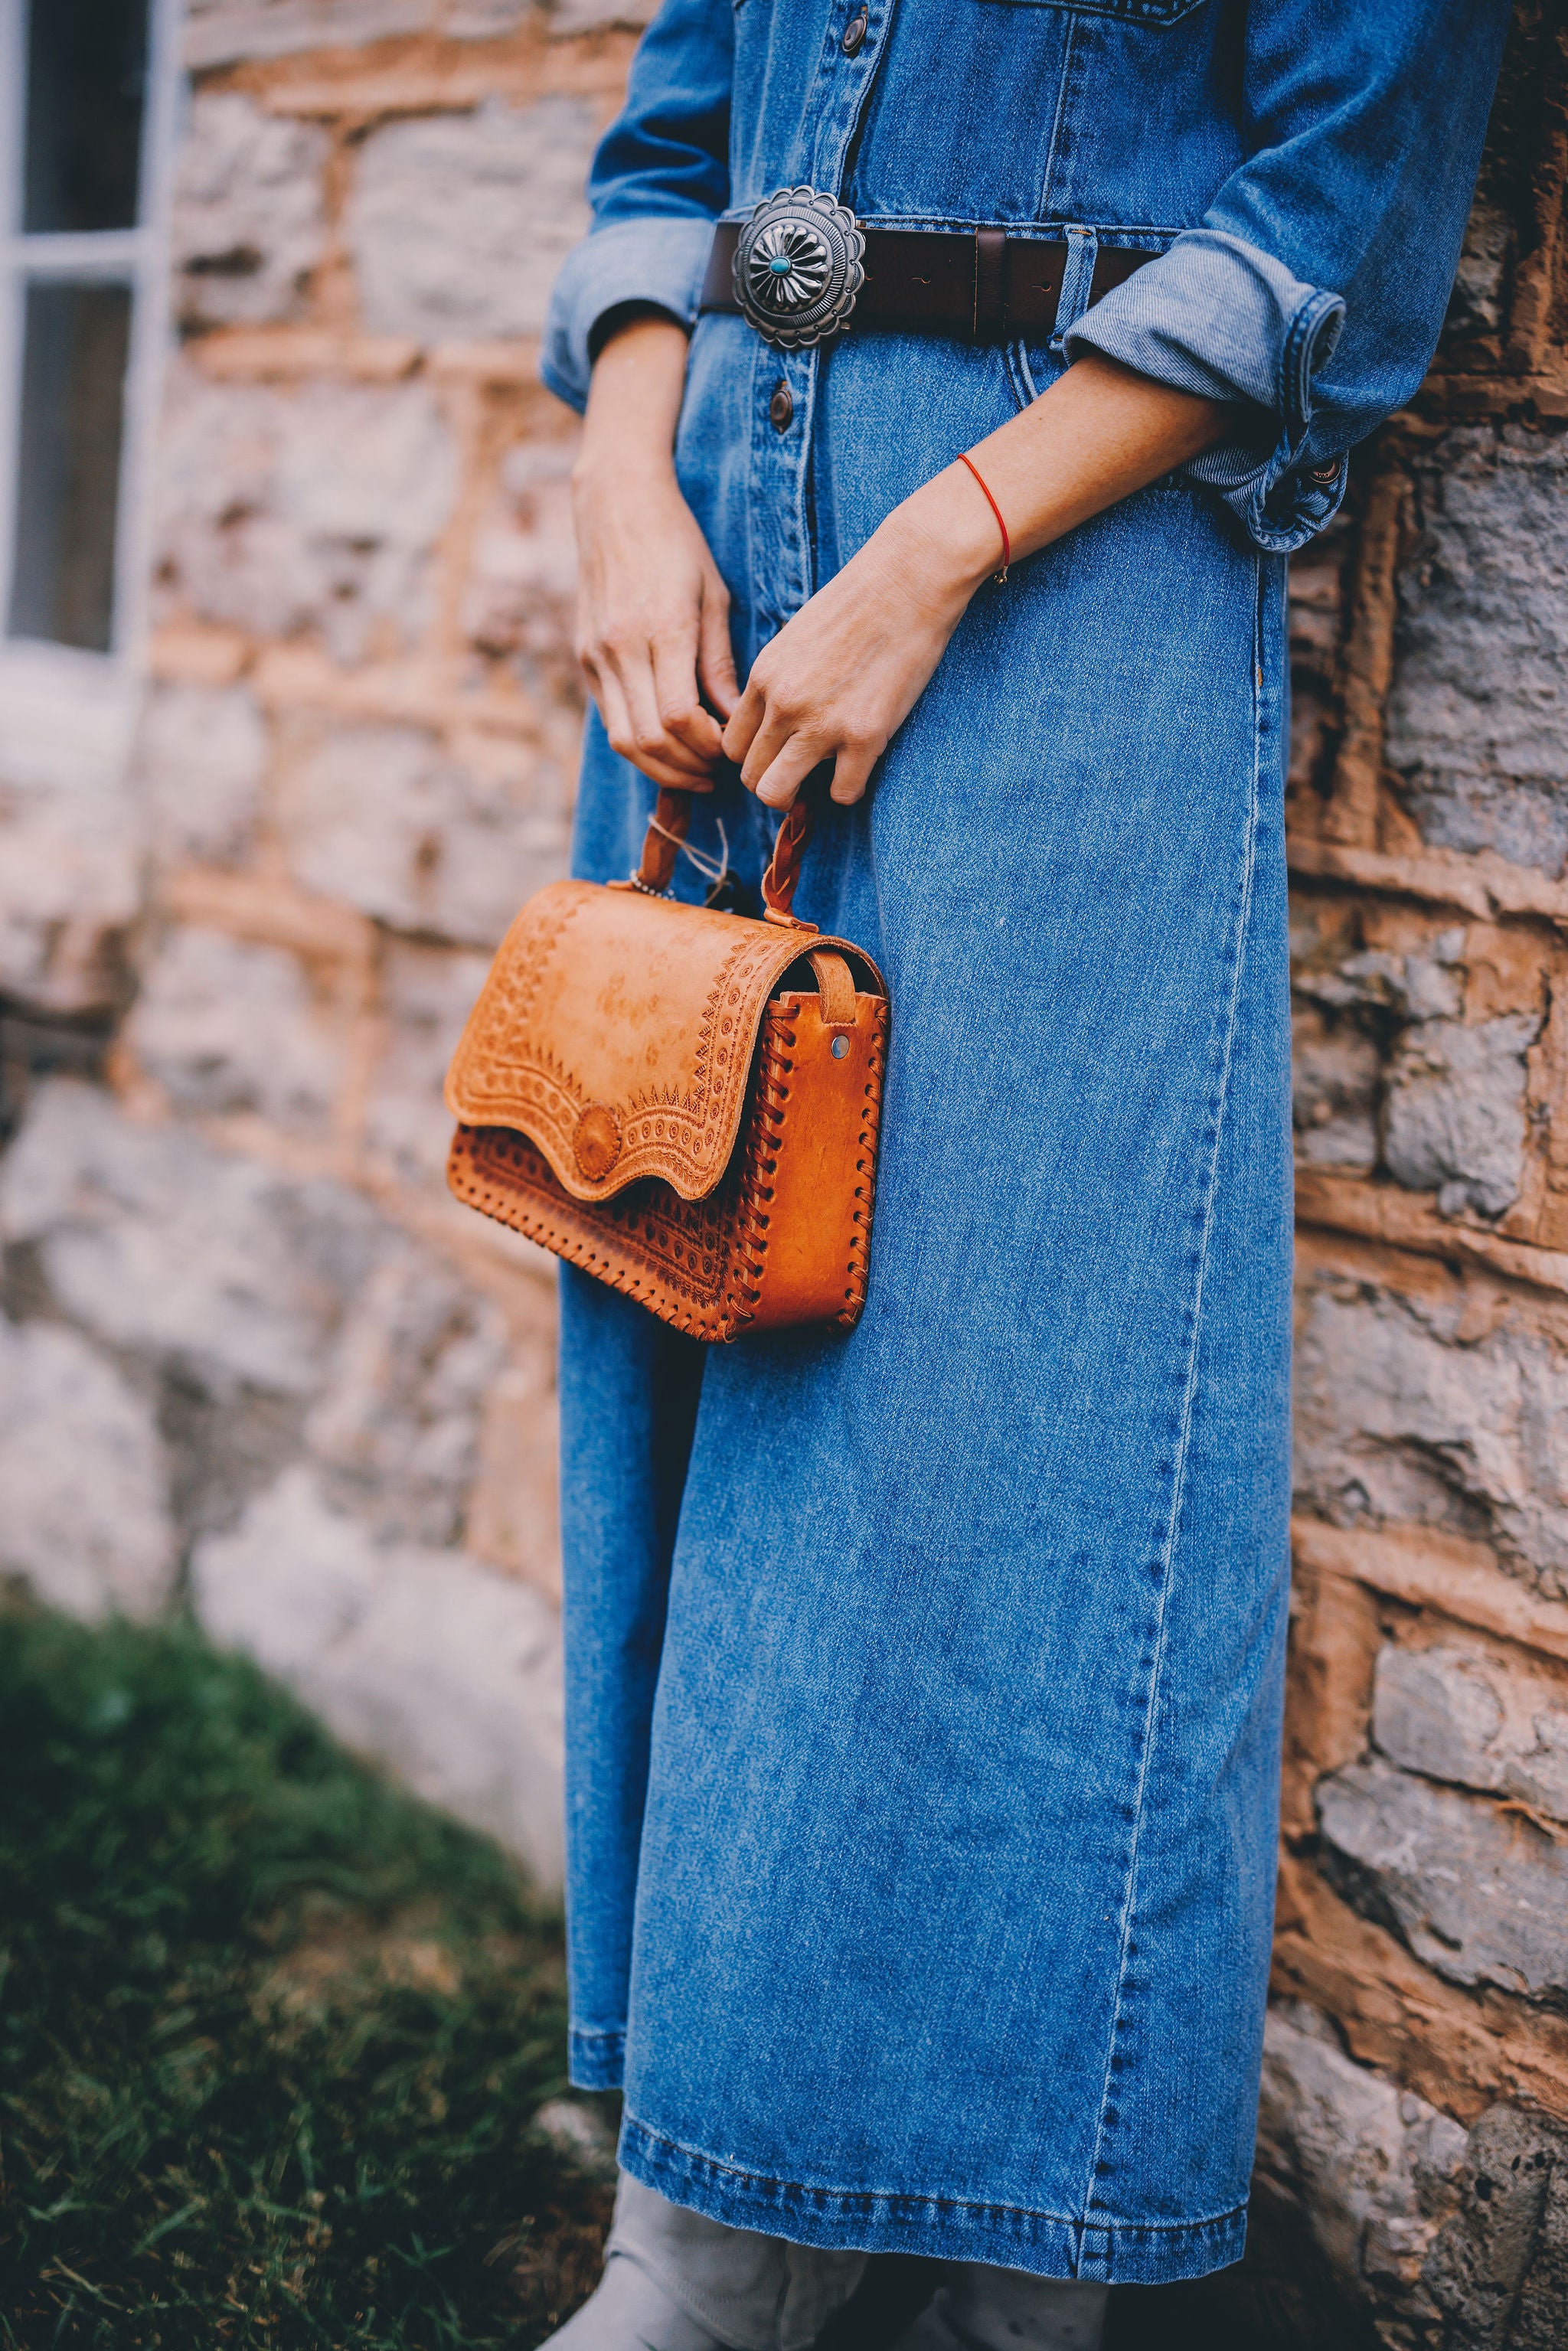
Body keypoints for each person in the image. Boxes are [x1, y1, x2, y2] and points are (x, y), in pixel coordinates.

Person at [536, 5, 1508, 2346]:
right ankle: (715, 2233)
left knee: (1000, 1402)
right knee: (694, 1322)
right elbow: (675, 141)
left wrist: (935, 552)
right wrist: (622, 492)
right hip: (728, 542)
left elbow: (1339, 209)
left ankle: (995, 2245)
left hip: (1060, 571)